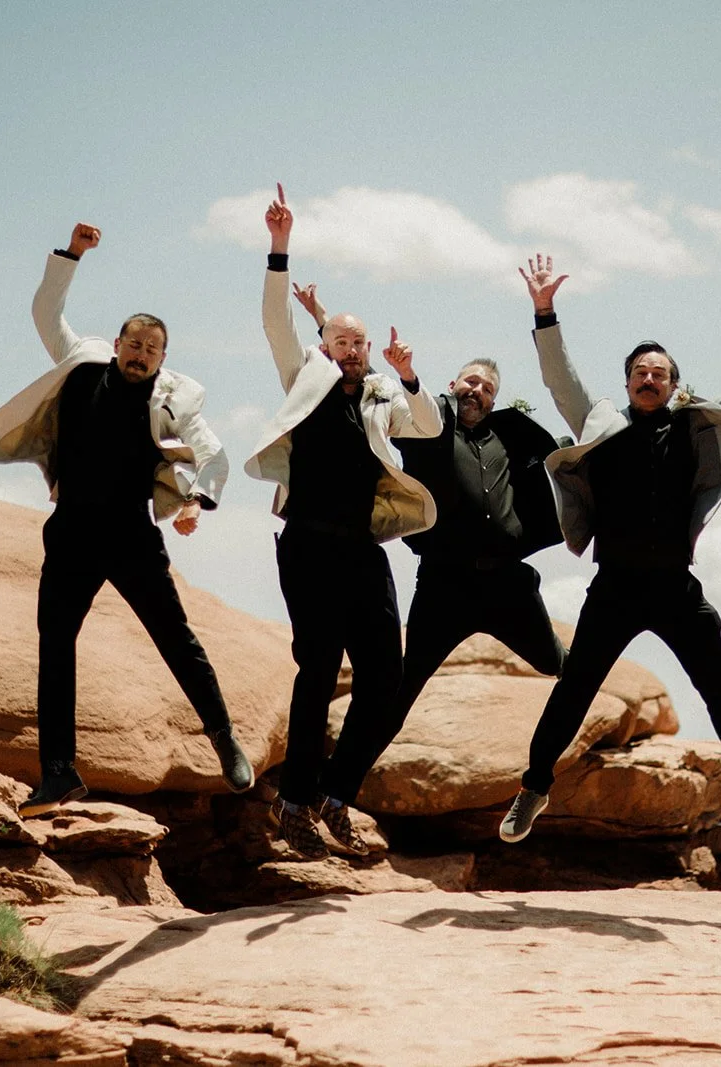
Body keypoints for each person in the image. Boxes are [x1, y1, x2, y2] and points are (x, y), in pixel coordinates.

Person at [499, 253, 721, 844]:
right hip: (615, 587)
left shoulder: (697, 425)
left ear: (674, 384)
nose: (649, 378)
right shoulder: (602, 427)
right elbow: (561, 380)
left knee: (719, 687)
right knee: (575, 689)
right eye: (640, 371)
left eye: (660, 373)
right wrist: (544, 312)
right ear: (627, 381)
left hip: (674, 588)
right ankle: (533, 788)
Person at [0, 222, 254, 817]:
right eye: (134, 344)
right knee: (55, 641)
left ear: (162, 359)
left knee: (175, 638)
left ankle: (224, 738)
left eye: (153, 350)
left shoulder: (171, 402)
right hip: (73, 529)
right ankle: (59, 772)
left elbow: (214, 455)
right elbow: (47, 312)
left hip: (131, 533)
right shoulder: (80, 368)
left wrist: (193, 502)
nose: (141, 355)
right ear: (119, 343)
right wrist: (72, 254)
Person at [286, 281, 568, 811]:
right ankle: (336, 792)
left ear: (495, 397)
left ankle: (537, 785)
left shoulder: (511, 436)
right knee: (395, 692)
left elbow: (559, 466)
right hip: (446, 584)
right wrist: (324, 316)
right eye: (469, 381)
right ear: (452, 384)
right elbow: (360, 372)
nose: (476, 391)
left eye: (486, 386)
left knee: (567, 666)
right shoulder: (426, 422)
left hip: (508, 584)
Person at [245, 185, 441, 858]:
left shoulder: (384, 398)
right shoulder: (306, 376)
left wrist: (410, 377)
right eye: (341, 339)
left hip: (362, 549)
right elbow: (277, 323)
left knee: (387, 677)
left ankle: (336, 792)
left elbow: (429, 425)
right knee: (319, 670)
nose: (352, 348)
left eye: (360, 341)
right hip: (306, 545)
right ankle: (295, 803)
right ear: (325, 345)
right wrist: (279, 247)